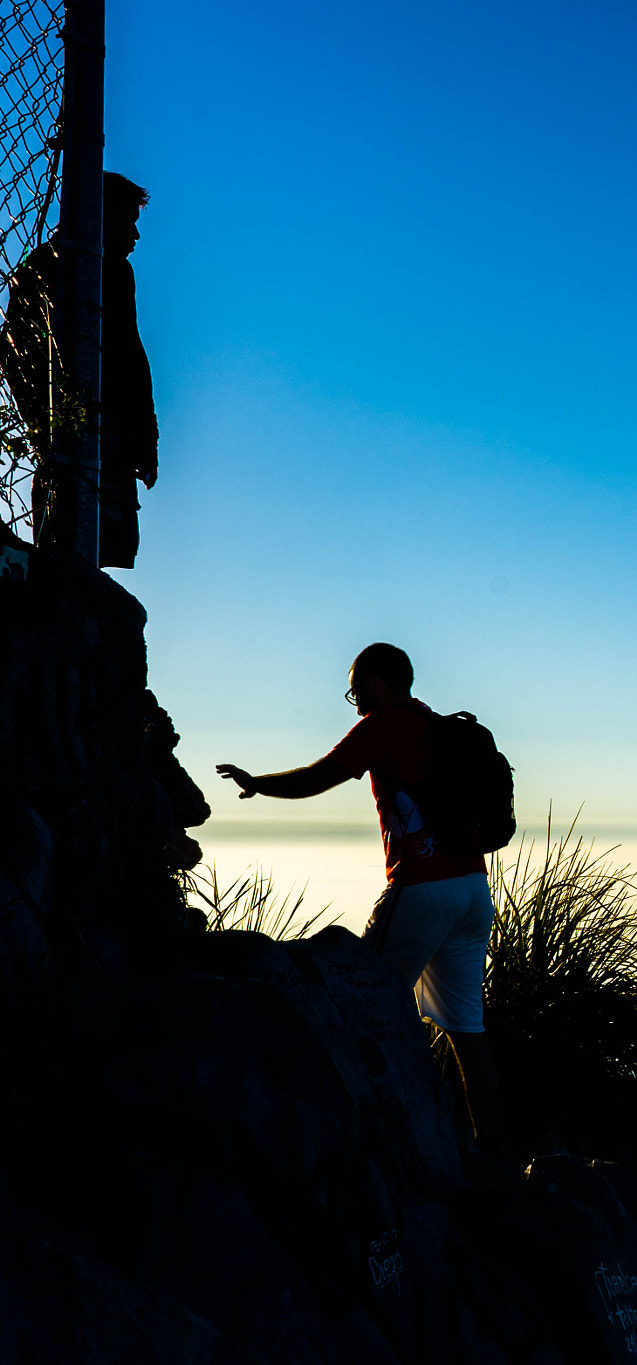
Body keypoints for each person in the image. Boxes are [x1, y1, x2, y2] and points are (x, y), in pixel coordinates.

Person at [215, 643, 500, 1144]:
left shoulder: (383, 725)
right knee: (467, 1028)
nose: (356, 700)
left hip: (422, 888)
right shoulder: (440, 726)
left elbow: (317, 777)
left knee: (362, 1001)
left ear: (372, 680)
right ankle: (492, 1147)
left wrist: (257, 783)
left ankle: (385, 1137)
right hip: (474, 889)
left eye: (355, 689)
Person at [0, 171, 158, 566]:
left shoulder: (106, 270)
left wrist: (145, 434)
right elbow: (14, 353)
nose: (135, 236)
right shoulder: (48, 271)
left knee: (86, 554)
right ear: (99, 213)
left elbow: (130, 353)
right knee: (71, 552)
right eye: (129, 221)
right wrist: (48, 422)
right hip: (79, 436)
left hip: (102, 437)